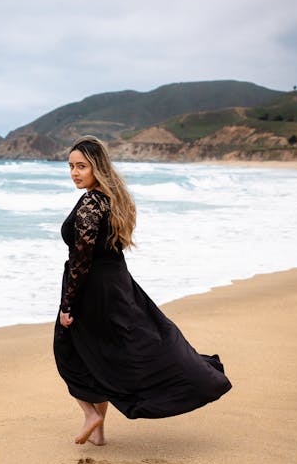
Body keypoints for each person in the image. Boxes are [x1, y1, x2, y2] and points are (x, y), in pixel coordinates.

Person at [53, 135, 232, 445]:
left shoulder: (89, 203)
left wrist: (68, 304)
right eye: (71, 166)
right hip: (117, 283)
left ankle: (91, 415)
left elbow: (82, 260)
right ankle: (99, 434)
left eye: (82, 166)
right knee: (103, 355)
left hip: (92, 289)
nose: (75, 173)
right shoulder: (114, 198)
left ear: (97, 167)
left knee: (67, 351)